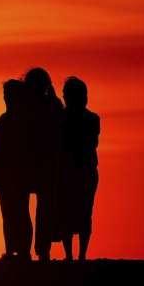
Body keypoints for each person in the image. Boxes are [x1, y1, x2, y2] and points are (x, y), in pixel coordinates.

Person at [0, 79, 33, 261]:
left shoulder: (20, 122)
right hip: (4, 177)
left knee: (20, 212)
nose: (6, 99)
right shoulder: (4, 120)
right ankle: (12, 251)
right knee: (9, 214)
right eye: (5, 96)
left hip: (17, 176)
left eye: (9, 96)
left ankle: (23, 252)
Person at [57, 77, 100, 260]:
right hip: (72, 172)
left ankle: (79, 255)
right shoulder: (65, 117)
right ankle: (71, 255)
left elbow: (89, 143)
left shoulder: (90, 119)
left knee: (83, 212)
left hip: (82, 171)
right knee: (69, 212)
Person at [24, 67, 64, 262]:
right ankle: (35, 250)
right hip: (35, 162)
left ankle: (41, 250)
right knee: (37, 209)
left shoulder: (50, 105)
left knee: (42, 208)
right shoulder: (51, 105)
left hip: (44, 162)